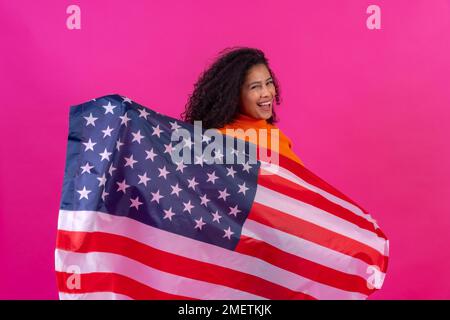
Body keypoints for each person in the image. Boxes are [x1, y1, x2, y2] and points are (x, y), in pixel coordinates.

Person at [182, 47, 304, 165]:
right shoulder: (220, 141)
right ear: (234, 95)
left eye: (269, 83)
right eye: (255, 87)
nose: (267, 93)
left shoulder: (276, 136)